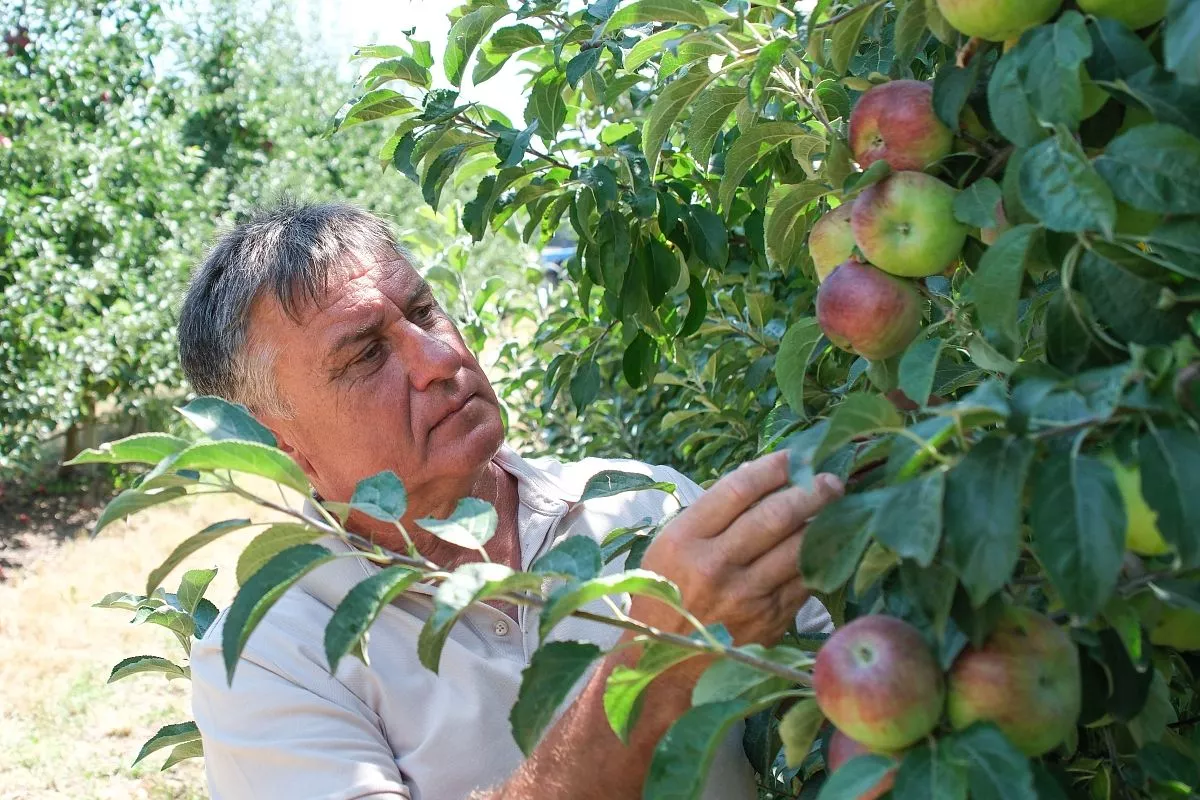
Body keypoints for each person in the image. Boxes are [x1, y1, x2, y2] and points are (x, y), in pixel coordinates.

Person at [178, 200, 844, 800]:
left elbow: (844, 682)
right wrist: (658, 671)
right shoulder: (272, 655)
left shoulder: (642, 504)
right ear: (276, 444)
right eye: (363, 357)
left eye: (421, 312)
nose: (437, 358)